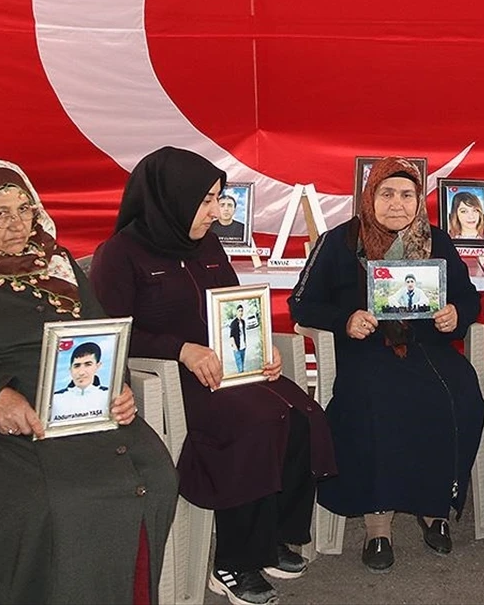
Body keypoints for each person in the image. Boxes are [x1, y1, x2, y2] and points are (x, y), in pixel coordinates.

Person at [0, 159, 177, 603]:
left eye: (24, 209)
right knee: (56, 499)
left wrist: (117, 384)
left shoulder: (57, 263)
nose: (17, 223)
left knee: (155, 476)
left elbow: (101, 334)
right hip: (2, 427)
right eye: (0, 213)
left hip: (82, 407)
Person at [92, 146, 335, 605]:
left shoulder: (207, 246)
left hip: (229, 368)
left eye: (217, 200)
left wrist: (262, 349)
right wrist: (180, 350)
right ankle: (233, 562)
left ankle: (272, 536)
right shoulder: (119, 255)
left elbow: (234, 307)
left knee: (302, 413)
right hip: (172, 377)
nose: (215, 212)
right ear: (171, 199)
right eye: (205, 202)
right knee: (254, 423)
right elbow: (112, 334)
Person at [289, 157, 484, 574]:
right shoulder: (340, 241)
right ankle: (377, 522)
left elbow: (468, 297)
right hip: (367, 351)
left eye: (407, 195)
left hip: (428, 350)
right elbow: (301, 303)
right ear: (369, 196)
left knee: (462, 395)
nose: (398, 203)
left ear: (419, 200)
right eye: (387, 193)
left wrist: (456, 313)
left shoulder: (436, 241)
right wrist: (345, 320)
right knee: (376, 401)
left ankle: (434, 507)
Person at [51, 341, 112, 422]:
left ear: (97, 366)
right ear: (70, 370)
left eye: (88, 364)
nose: (81, 372)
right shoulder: (54, 399)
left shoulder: (110, 395)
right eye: (77, 366)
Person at [229, 304, 248, 373]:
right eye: (239, 311)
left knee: (242, 364)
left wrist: (245, 343)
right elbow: (231, 336)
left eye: (242, 311)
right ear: (236, 312)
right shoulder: (233, 323)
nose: (241, 312)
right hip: (237, 347)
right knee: (240, 367)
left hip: (243, 346)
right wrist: (235, 347)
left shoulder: (243, 321)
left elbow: (243, 333)